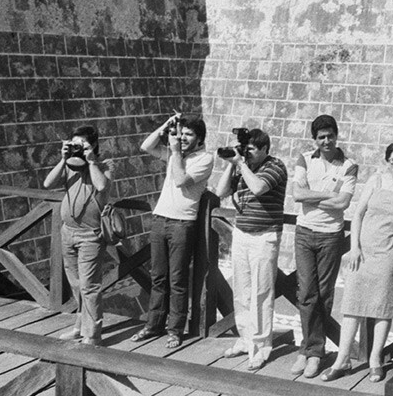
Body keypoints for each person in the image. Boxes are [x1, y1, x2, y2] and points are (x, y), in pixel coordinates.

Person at [321, 142, 393, 383]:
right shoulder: (376, 180)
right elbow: (358, 214)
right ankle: (342, 359)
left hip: (390, 255)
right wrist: (354, 248)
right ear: (387, 161)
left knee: (383, 308)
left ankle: (375, 359)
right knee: (352, 304)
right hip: (363, 253)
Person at [133, 113, 214, 349]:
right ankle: (153, 324)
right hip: (160, 219)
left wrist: (176, 151)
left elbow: (180, 180)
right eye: (182, 133)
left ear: (200, 139)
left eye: (190, 134)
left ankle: (175, 330)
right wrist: (165, 127)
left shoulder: (204, 159)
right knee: (158, 276)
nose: (184, 138)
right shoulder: (176, 154)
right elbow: (146, 146)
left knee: (177, 280)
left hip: (182, 223)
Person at [212, 127, 287, 370]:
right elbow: (221, 192)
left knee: (261, 293)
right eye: (245, 149)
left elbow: (258, 188)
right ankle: (245, 339)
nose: (247, 154)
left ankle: (261, 347)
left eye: (251, 150)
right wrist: (231, 164)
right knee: (242, 290)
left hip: (265, 237)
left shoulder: (275, 166)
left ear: (265, 149)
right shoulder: (241, 166)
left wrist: (241, 164)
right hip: (242, 234)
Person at [290, 115, 358, 378]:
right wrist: (330, 194)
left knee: (323, 294)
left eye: (330, 136)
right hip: (305, 232)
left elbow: (343, 204)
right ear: (314, 140)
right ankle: (307, 350)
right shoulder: (305, 159)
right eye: (321, 137)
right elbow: (297, 195)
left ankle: (314, 353)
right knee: (306, 292)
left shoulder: (349, 165)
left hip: (331, 236)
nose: (326, 141)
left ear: (337, 135)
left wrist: (313, 197)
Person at [43, 125, 113, 345]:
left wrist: (91, 161)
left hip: (90, 235)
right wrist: (64, 159)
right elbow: (47, 183)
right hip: (68, 233)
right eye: (75, 144)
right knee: (76, 285)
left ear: (93, 145)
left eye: (81, 144)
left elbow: (102, 186)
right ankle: (79, 326)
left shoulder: (105, 165)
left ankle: (92, 335)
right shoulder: (70, 167)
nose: (78, 149)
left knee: (89, 286)